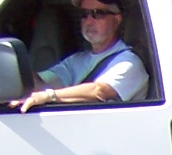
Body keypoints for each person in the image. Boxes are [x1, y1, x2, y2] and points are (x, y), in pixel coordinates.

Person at [13, 0, 148, 111]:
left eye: (98, 13)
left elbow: (99, 91)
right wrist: (11, 65)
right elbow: (40, 84)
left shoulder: (129, 62)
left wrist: (48, 96)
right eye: (84, 14)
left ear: (117, 20)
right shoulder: (76, 60)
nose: (89, 21)